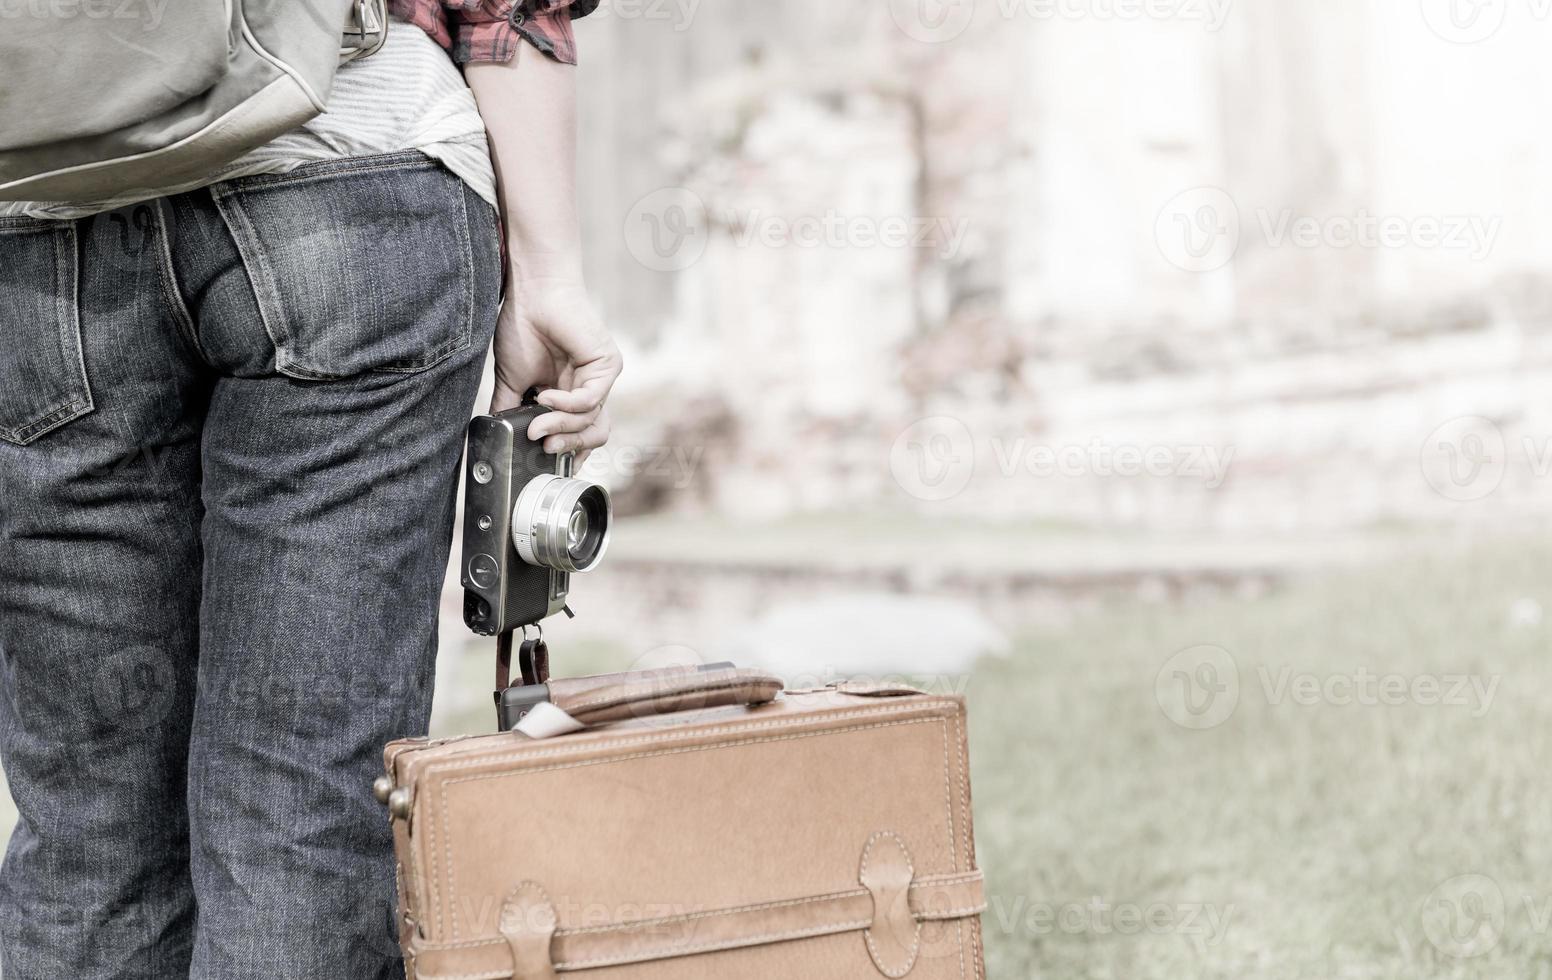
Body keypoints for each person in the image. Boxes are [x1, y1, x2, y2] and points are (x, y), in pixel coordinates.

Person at [0, 2, 621, 977]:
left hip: (42, 220)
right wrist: (550, 267)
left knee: (89, 834)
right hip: (340, 175)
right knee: (300, 814)